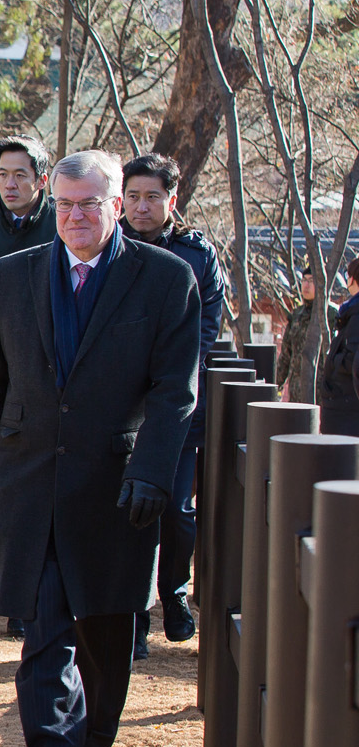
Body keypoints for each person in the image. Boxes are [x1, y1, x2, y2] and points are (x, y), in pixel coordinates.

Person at [0, 149, 199, 747]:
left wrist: (154, 470)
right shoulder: (14, 274)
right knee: (43, 621)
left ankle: (93, 744)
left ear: (117, 205)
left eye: (90, 203)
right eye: (65, 204)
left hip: (115, 488)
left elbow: (177, 391)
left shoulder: (165, 280)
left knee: (104, 624)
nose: (76, 216)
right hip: (27, 479)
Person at [120, 153, 228, 650]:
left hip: (177, 405)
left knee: (177, 511)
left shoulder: (197, 255)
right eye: (135, 196)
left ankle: (174, 592)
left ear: (172, 199)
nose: (142, 208)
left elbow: (205, 332)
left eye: (153, 197)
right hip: (118, 405)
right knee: (124, 511)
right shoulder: (106, 244)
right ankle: (132, 616)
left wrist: (167, 376)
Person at [0, 135, 57, 280]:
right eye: (3, 174)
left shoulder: (62, 228)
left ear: (42, 181)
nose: (9, 184)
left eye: (19, 175)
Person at [319, 257, 359, 435]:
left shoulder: (355, 312)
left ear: (351, 279)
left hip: (345, 405)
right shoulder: (351, 312)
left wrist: (335, 362)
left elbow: (353, 359)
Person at [274, 274, 318, 400]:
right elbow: (285, 357)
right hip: (296, 392)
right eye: (304, 280)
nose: (306, 285)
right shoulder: (297, 316)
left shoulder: (330, 317)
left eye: (311, 280)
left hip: (320, 393)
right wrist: (275, 387)